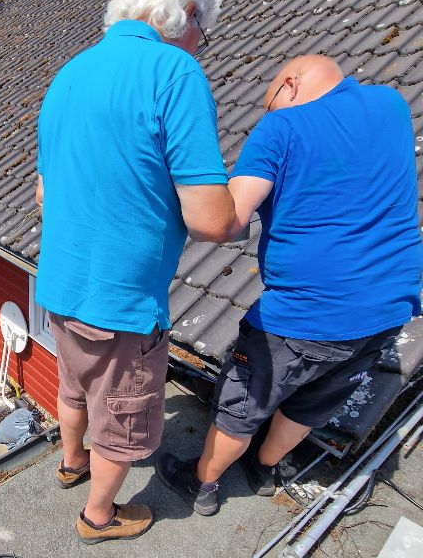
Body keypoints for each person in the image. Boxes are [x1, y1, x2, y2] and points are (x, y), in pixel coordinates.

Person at [157, 54, 423, 512]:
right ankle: (265, 468)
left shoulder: (281, 130)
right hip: (388, 309)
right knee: (317, 400)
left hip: (305, 315)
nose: (269, 116)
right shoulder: (392, 104)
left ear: (290, 85)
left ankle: (202, 483)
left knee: (242, 405)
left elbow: (226, 221)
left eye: (271, 105)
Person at [35, 0, 236, 545]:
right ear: (187, 12)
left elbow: (46, 198)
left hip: (61, 289)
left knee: (73, 385)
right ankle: (98, 516)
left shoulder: (67, 76)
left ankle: (71, 464)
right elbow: (209, 218)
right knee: (122, 417)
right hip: (121, 305)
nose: (203, 43)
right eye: (206, 28)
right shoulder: (176, 74)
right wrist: (238, 210)